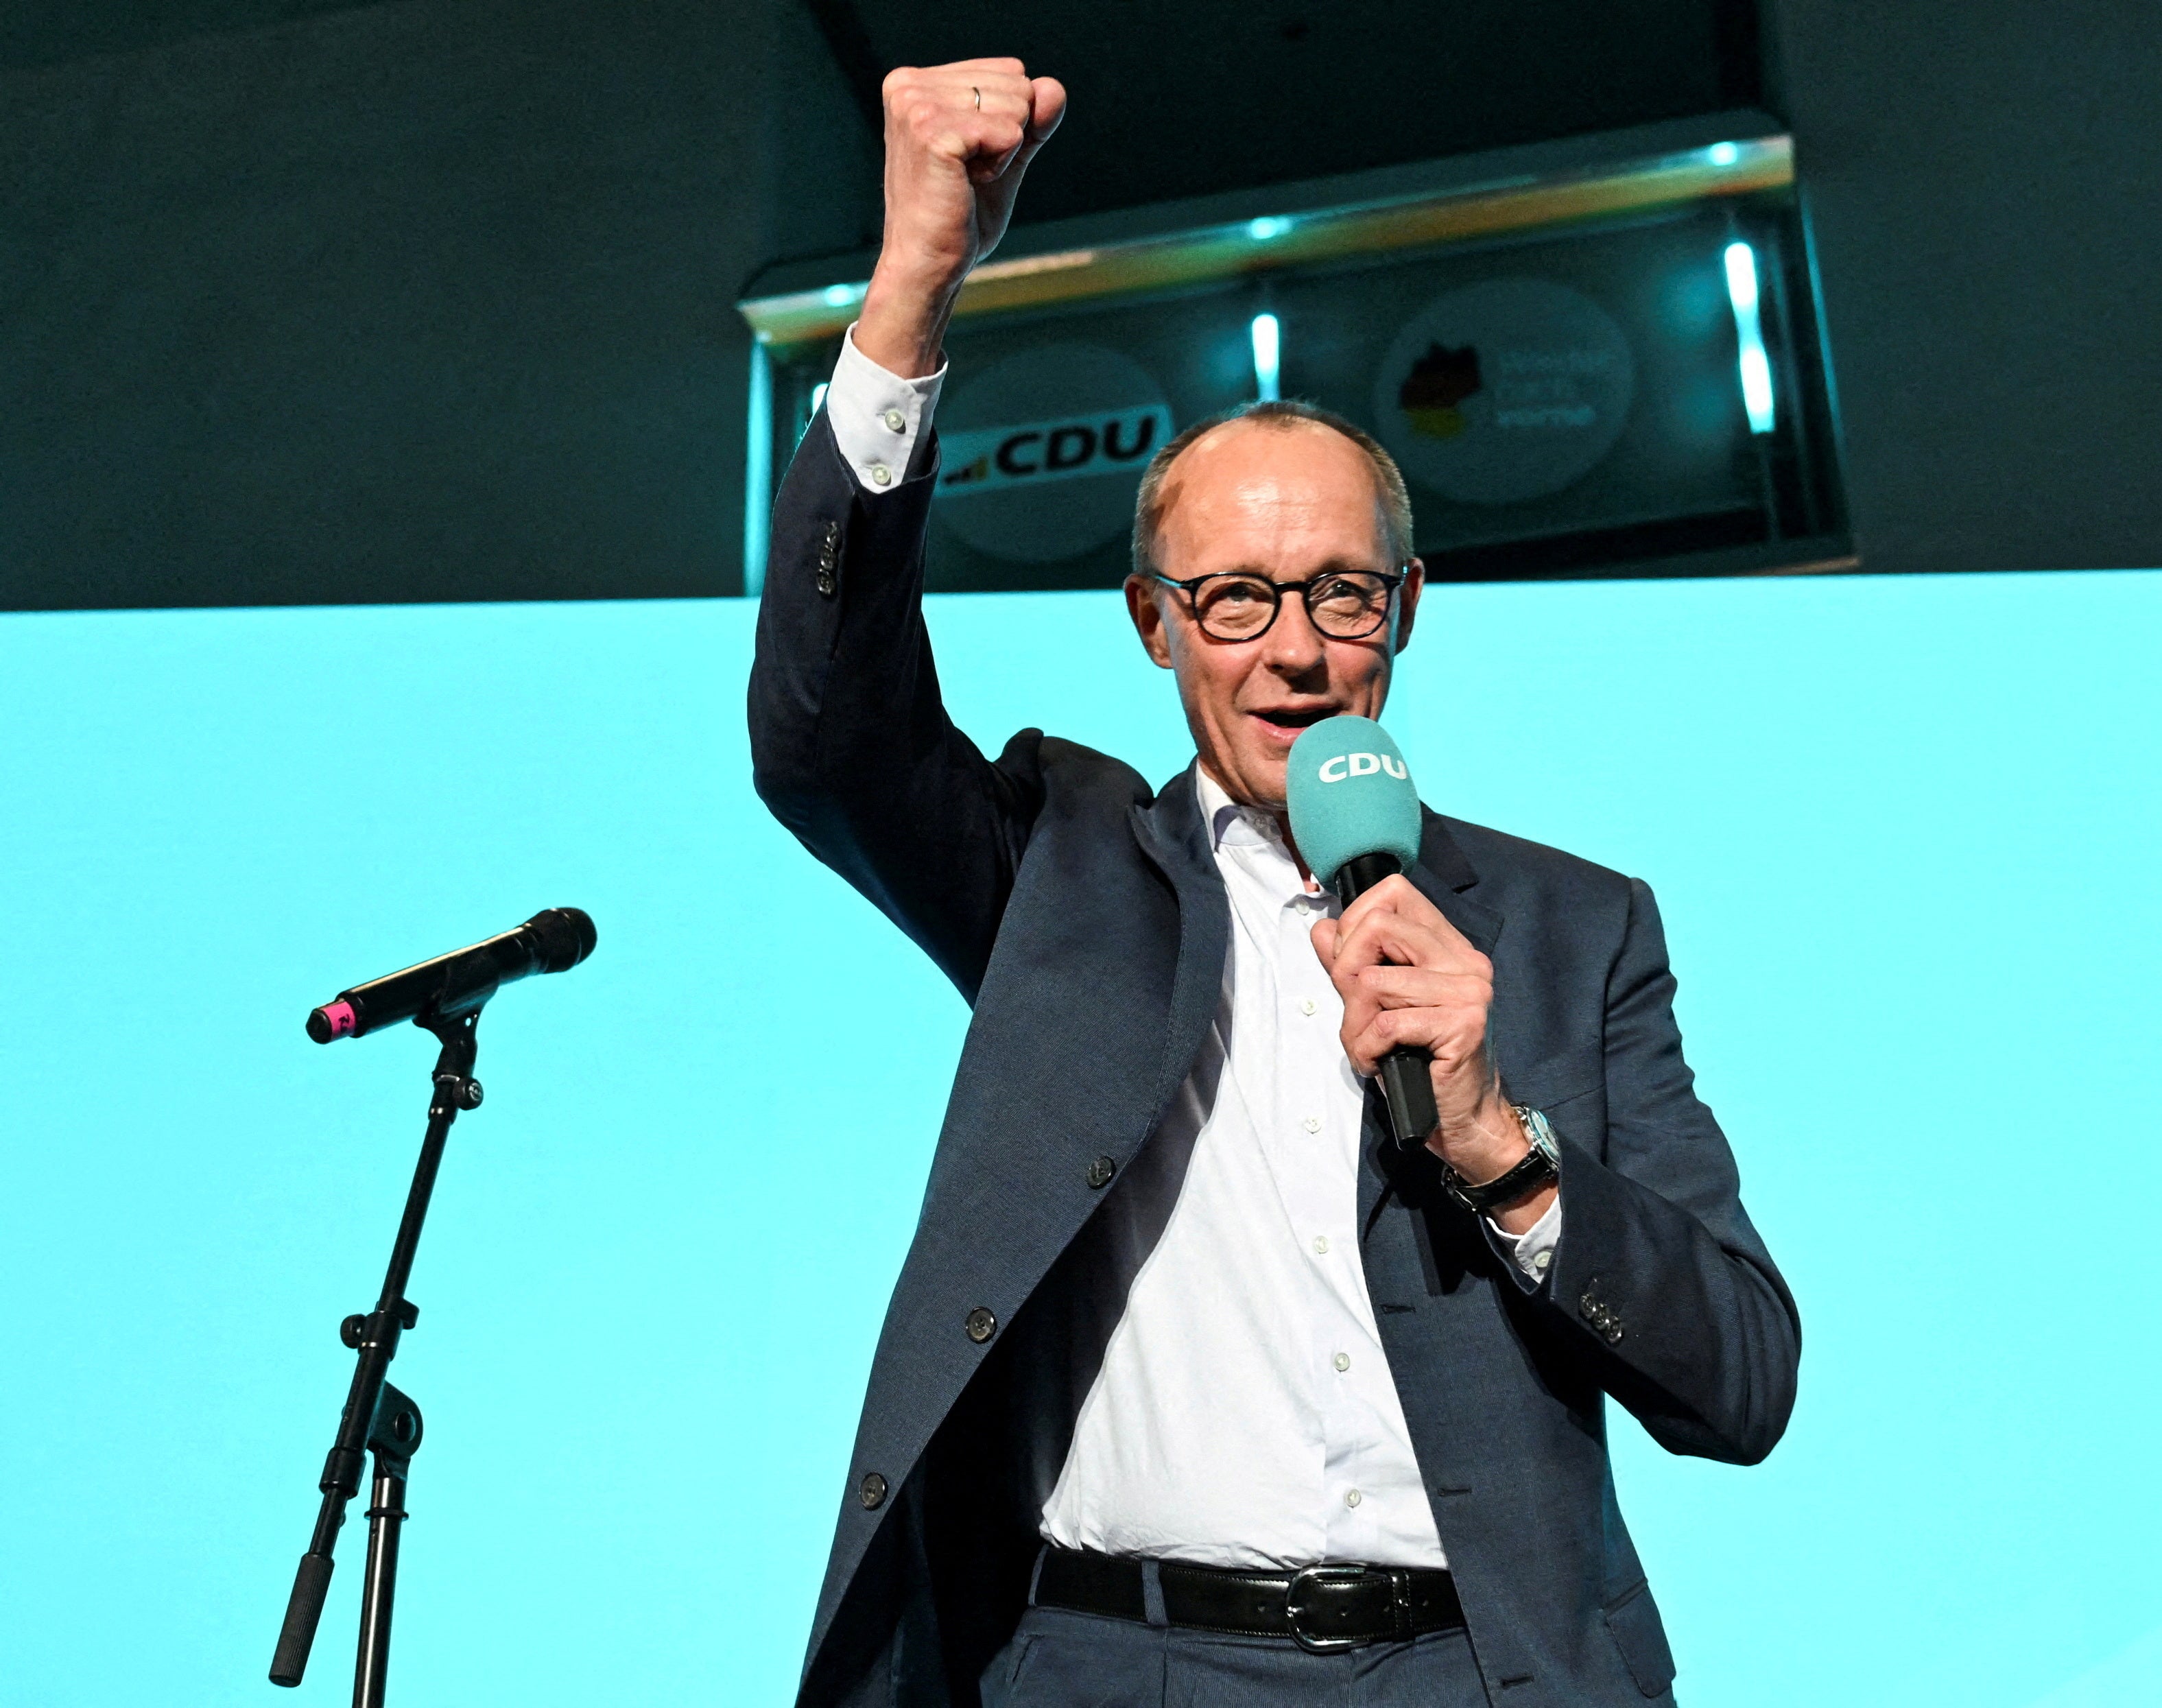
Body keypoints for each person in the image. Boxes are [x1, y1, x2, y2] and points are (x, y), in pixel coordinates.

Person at [748, 56, 1798, 1708]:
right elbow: (824, 730)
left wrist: (1501, 1153)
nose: (1295, 649)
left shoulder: (1571, 930)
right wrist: (912, 292)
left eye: (1339, 595)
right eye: (1232, 599)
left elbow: (1738, 1377)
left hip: (1470, 1671)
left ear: (1410, 607)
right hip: (1110, 1658)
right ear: (1152, 626)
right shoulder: (1059, 868)